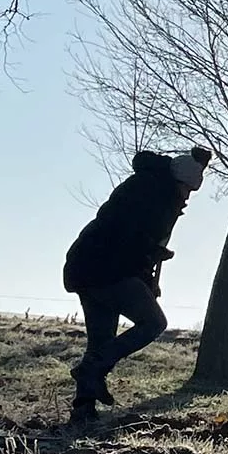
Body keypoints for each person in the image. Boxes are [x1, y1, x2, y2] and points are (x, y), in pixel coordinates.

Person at [63, 147, 210, 423]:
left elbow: (128, 240)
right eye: (188, 190)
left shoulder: (147, 185)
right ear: (180, 182)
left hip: (84, 267)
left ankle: (83, 409)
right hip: (106, 270)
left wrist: (148, 266)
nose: (187, 197)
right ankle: (90, 369)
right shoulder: (158, 198)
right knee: (154, 323)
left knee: (101, 340)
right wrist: (151, 261)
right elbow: (133, 242)